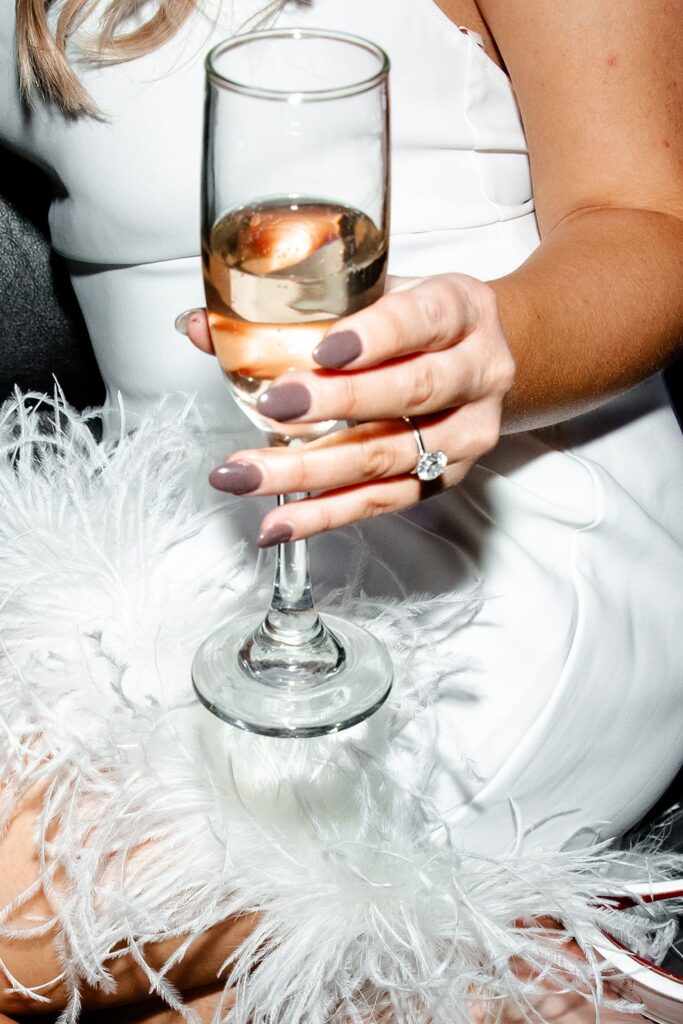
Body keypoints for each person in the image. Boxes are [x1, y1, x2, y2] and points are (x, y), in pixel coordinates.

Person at [0, 0, 681, 1021]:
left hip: (499, 517)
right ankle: (496, 985)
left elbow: (645, 217)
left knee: (21, 921)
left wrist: (484, 351)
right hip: (157, 524)